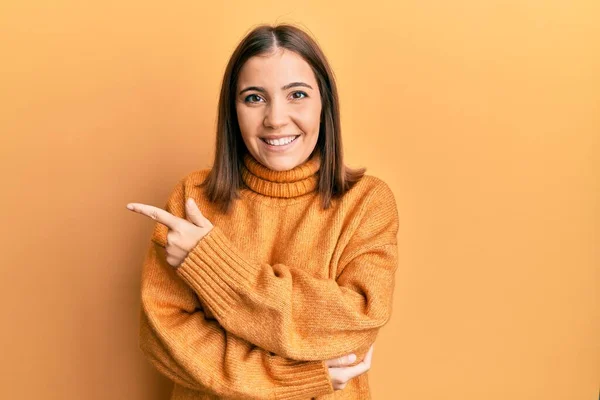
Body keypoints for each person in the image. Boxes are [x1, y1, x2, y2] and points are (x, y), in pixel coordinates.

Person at [127, 23, 399, 400]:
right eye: (254, 98)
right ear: (232, 111)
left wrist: (209, 263)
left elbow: (354, 326)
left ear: (325, 104)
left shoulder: (366, 203)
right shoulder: (193, 198)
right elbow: (164, 340)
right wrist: (297, 377)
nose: (275, 118)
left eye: (297, 95)